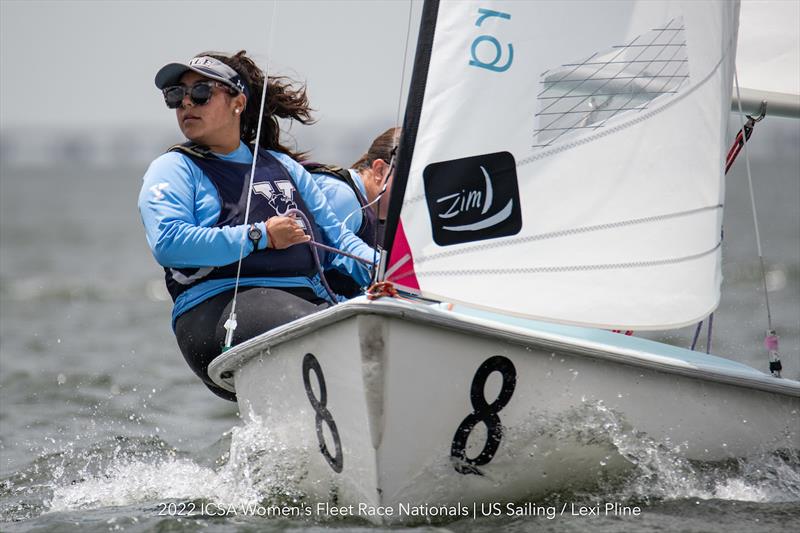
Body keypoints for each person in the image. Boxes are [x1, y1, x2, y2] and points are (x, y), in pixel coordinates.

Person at [138, 51, 375, 401]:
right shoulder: (174, 168)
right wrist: (259, 235)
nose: (186, 103)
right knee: (334, 331)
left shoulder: (282, 165)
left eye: (201, 92)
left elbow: (338, 241)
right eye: (176, 95)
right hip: (217, 311)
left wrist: (395, 272)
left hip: (302, 302)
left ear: (238, 102)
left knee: (381, 324)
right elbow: (169, 242)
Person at [305, 127, 399, 297]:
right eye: (411, 181)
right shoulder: (343, 198)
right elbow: (310, 272)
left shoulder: (376, 210)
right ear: (379, 170)